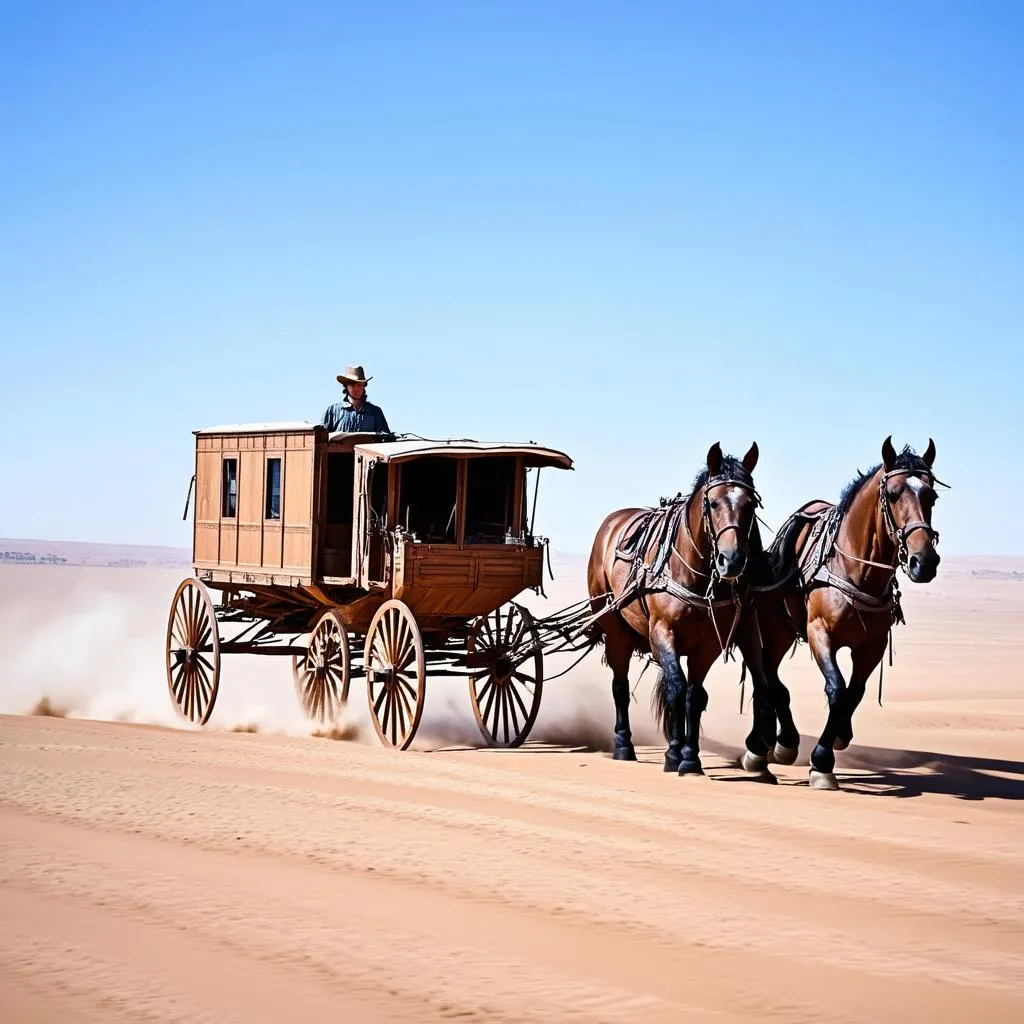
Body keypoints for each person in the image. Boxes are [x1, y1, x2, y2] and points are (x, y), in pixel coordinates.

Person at [321, 365, 391, 434]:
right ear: (346, 386)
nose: (356, 389)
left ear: (364, 386)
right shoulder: (332, 412)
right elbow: (319, 440)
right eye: (352, 385)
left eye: (359, 385)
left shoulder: (376, 412)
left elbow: (386, 441)